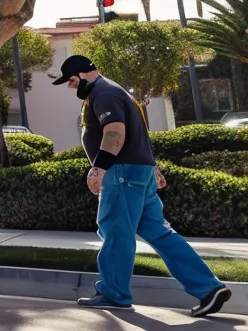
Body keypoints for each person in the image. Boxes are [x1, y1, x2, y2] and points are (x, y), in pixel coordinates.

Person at [55, 54, 232, 316]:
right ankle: (208, 288)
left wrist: (99, 168)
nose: (70, 87)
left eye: (70, 81)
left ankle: (114, 294)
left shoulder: (103, 93)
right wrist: (153, 167)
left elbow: (115, 131)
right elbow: (139, 133)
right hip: (139, 172)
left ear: (81, 74)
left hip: (122, 173)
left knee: (116, 232)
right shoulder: (116, 91)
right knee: (160, 234)